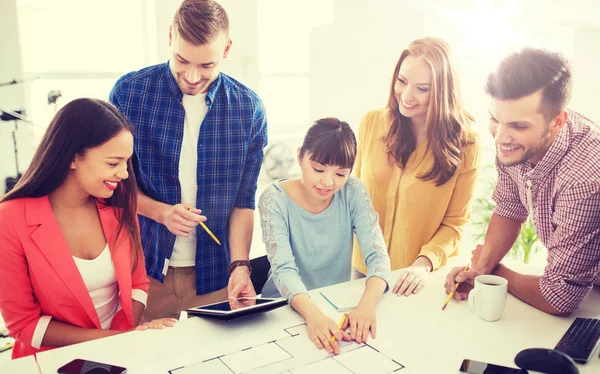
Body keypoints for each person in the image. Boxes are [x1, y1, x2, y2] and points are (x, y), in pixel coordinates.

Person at [109, 0, 268, 320]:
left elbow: (243, 202)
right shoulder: (129, 94)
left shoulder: (249, 110)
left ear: (227, 50)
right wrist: (162, 212)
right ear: (170, 36)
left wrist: (240, 267)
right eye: (182, 60)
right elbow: (113, 184)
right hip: (146, 270)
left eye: (207, 65)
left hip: (216, 275)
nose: (193, 75)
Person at [0, 98, 175, 359]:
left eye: (126, 163)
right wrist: (117, 340)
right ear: (72, 158)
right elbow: (24, 324)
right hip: (53, 359)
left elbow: (138, 282)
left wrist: (126, 337)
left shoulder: (120, 202)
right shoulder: (9, 218)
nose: (125, 174)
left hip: (121, 351)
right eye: (113, 163)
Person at [444, 48, 600, 315]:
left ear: (558, 121)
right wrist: (479, 271)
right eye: (495, 120)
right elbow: (509, 207)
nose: (501, 137)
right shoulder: (512, 145)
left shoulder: (585, 176)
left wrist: (497, 274)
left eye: (518, 126)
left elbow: (559, 298)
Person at [352, 37, 480, 296]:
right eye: (402, 81)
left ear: (443, 91)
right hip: (363, 268)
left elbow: (456, 223)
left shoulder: (466, 143)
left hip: (416, 278)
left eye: (422, 88)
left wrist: (423, 264)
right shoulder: (371, 122)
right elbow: (355, 198)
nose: (407, 96)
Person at [259, 118, 391, 355]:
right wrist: (313, 316)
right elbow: (284, 270)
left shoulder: (354, 191)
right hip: (283, 309)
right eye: (318, 169)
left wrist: (366, 307)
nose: (327, 182)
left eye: (340, 174)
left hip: (333, 303)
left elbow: (378, 256)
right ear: (300, 157)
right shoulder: (273, 199)